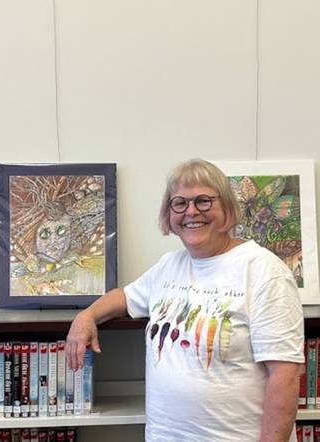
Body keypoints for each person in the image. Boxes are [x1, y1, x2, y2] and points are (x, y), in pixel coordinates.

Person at [66, 159, 304, 442]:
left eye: (203, 201)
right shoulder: (169, 266)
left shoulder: (264, 271)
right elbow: (125, 296)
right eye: (179, 203)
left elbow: (285, 377)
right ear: (169, 215)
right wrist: (86, 317)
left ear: (227, 209)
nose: (191, 211)